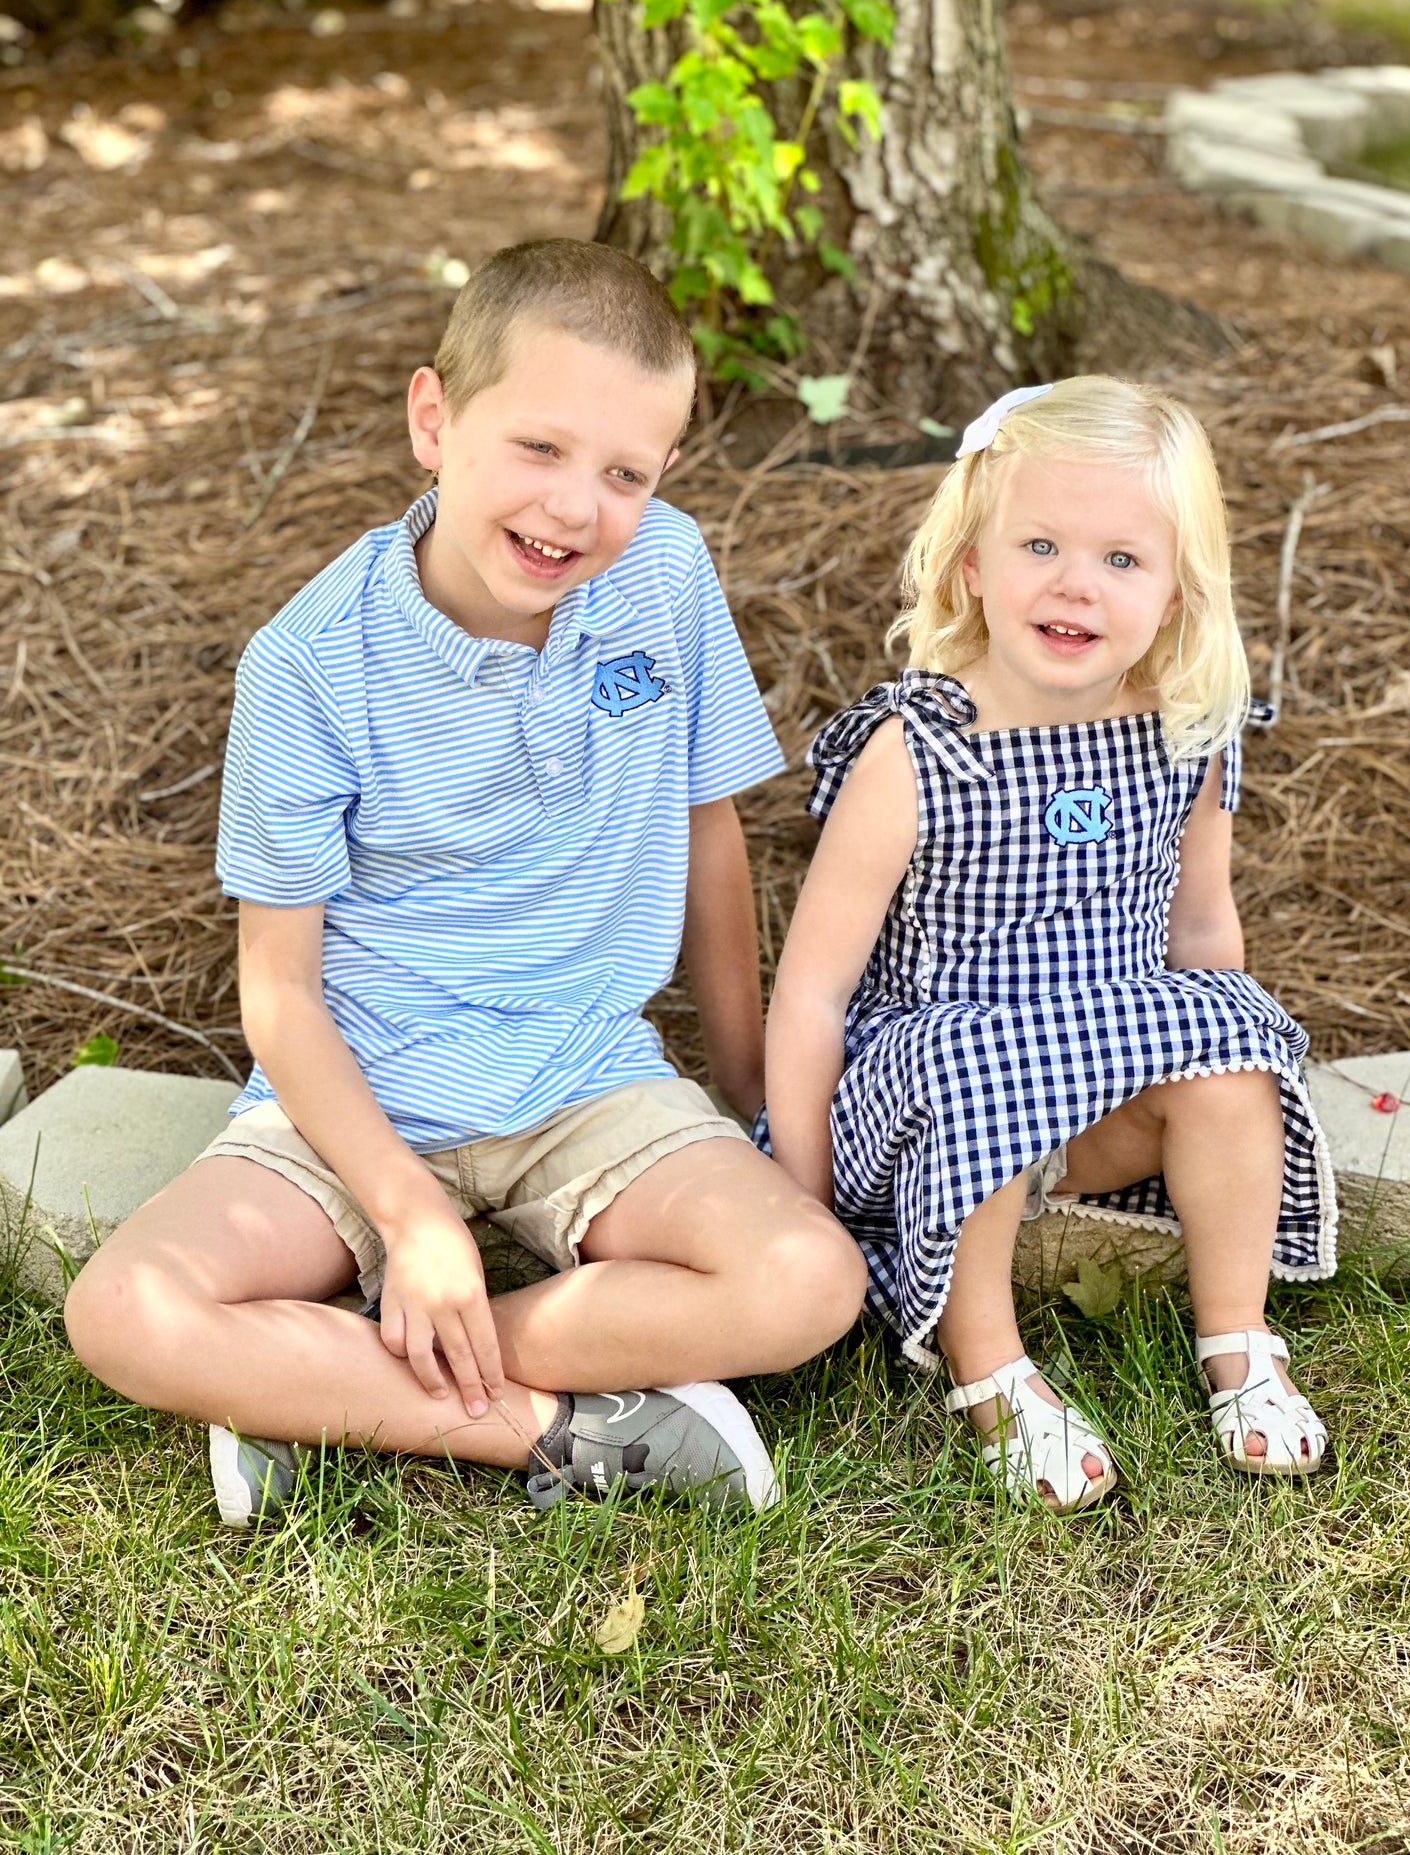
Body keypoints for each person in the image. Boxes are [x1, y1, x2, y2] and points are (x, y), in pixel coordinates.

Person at [65, 239, 866, 1525]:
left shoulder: (662, 572)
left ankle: (322, 1380)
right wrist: (406, 1211)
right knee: (122, 1309)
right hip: (359, 1089)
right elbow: (276, 990)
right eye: (539, 449)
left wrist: (743, 1082)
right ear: (434, 419)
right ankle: (554, 1427)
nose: (573, 509)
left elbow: (705, 828)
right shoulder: (310, 665)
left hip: (585, 1072)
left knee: (806, 1283)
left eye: (623, 472)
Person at [762, 376, 1337, 1513]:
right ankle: (991, 1373)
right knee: (978, 1069)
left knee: (1233, 1044)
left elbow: (1199, 926)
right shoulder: (916, 750)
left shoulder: (1182, 731)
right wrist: (797, 1192)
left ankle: (1236, 1337)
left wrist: (1218, 1061)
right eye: (1039, 544)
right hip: (938, 1085)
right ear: (971, 560)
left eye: (1122, 560)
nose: (1076, 582)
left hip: (1104, 1084)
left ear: (1176, 591)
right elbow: (815, 988)